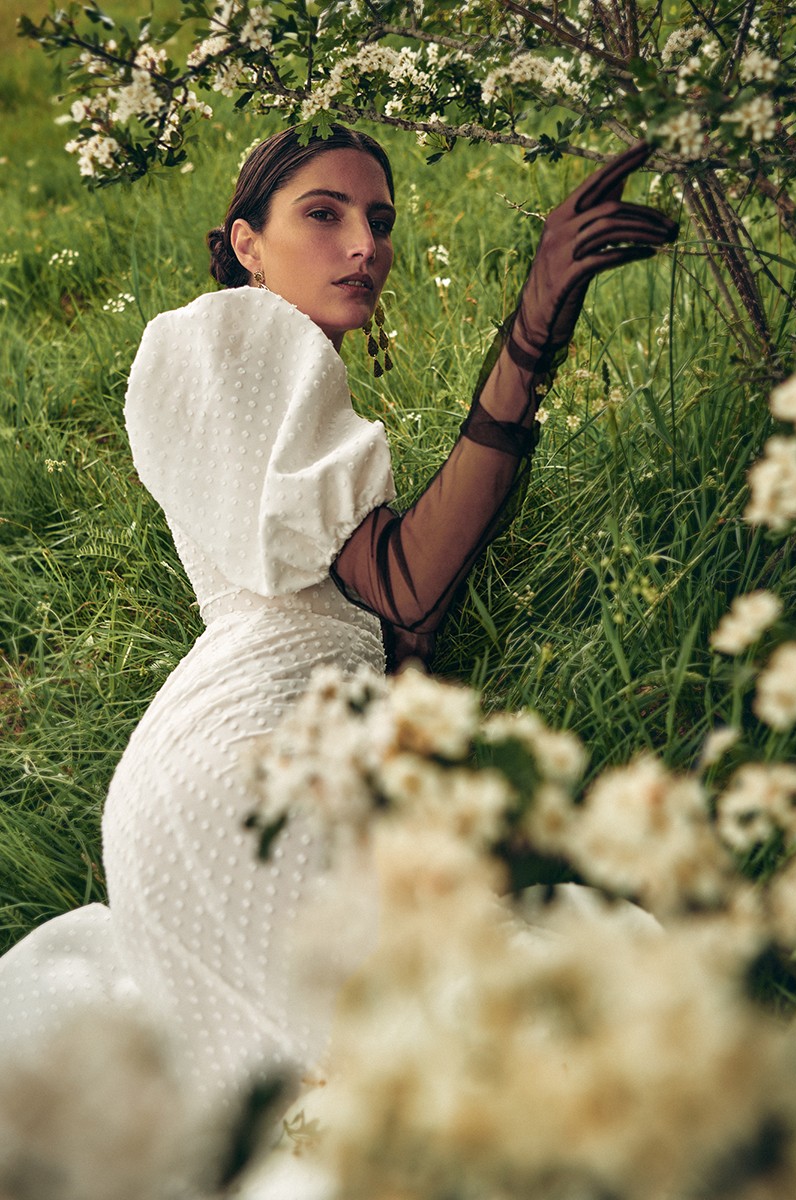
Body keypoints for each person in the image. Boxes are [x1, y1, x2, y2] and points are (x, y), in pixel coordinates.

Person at [0, 125, 677, 1138]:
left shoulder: (268, 381)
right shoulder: (227, 339)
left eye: (380, 220)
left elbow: (396, 623)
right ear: (245, 243)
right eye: (323, 213)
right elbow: (402, 584)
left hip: (213, 778)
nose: (364, 243)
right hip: (246, 759)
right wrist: (533, 322)